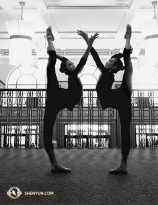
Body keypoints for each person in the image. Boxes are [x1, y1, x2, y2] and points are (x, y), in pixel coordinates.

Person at [78, 25, 133, 174]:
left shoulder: (107, 73)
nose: (107, 62)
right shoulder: (106, 73)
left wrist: (88, 42)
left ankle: (123, 165)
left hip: (120, 97)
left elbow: (95, 57)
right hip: (118, 98)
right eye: (108, 60)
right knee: (125, 132)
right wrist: (87, 42)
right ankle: (123, 165)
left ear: (113, 66)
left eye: (110, 61)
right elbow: (95, 57)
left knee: (129, 67)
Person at [44, 26, 98, 173]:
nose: (73, 65)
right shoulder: (73, 75)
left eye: (73, 64)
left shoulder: (72, 74)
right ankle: (54, 164)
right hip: (58, 97)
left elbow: (70, 60)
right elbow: (84, 59)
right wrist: (89, 43)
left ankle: (49, 41)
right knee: (50, 65)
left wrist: (59, 57)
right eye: (70, 65)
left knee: (51, 63)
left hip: (60, 98)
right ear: (66, 69)